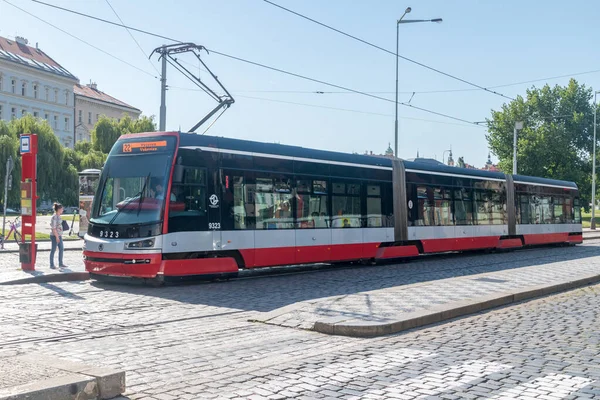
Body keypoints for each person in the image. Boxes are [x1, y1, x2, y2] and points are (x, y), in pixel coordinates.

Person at [49, 202, 66, 269]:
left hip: (59, 235)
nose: (62, 210)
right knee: (53, 249)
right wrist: (56, 237)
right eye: (62, 209)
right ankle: (51, 264)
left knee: (61, 248)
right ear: (58, 209)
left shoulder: (59, 216)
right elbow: (53, 228)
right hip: (54, 236)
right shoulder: (54, 217)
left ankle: (60, 263)